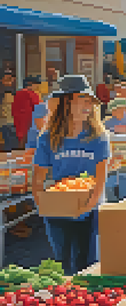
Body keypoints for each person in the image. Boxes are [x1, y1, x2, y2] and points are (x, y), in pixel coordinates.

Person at [32, 75, 110, 275]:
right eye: (82, 100)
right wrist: (43, 204)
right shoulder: (48, 137)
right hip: (59, 209)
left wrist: (89, 204)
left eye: (89, 101)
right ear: (66, 102)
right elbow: (38, 178)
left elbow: (101, 178)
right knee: (63, 263)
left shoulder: (98, 136)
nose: (88, 105)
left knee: (87, 263)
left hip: (89, 210)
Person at [13, 77, 41, 148]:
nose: (38, 86)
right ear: (31, 84)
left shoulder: (18, 93)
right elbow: (38, 106)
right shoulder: (30, 94)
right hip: (29, 121)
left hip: (18, 119)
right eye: (37, 84)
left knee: (21, 139)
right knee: (27, 141)